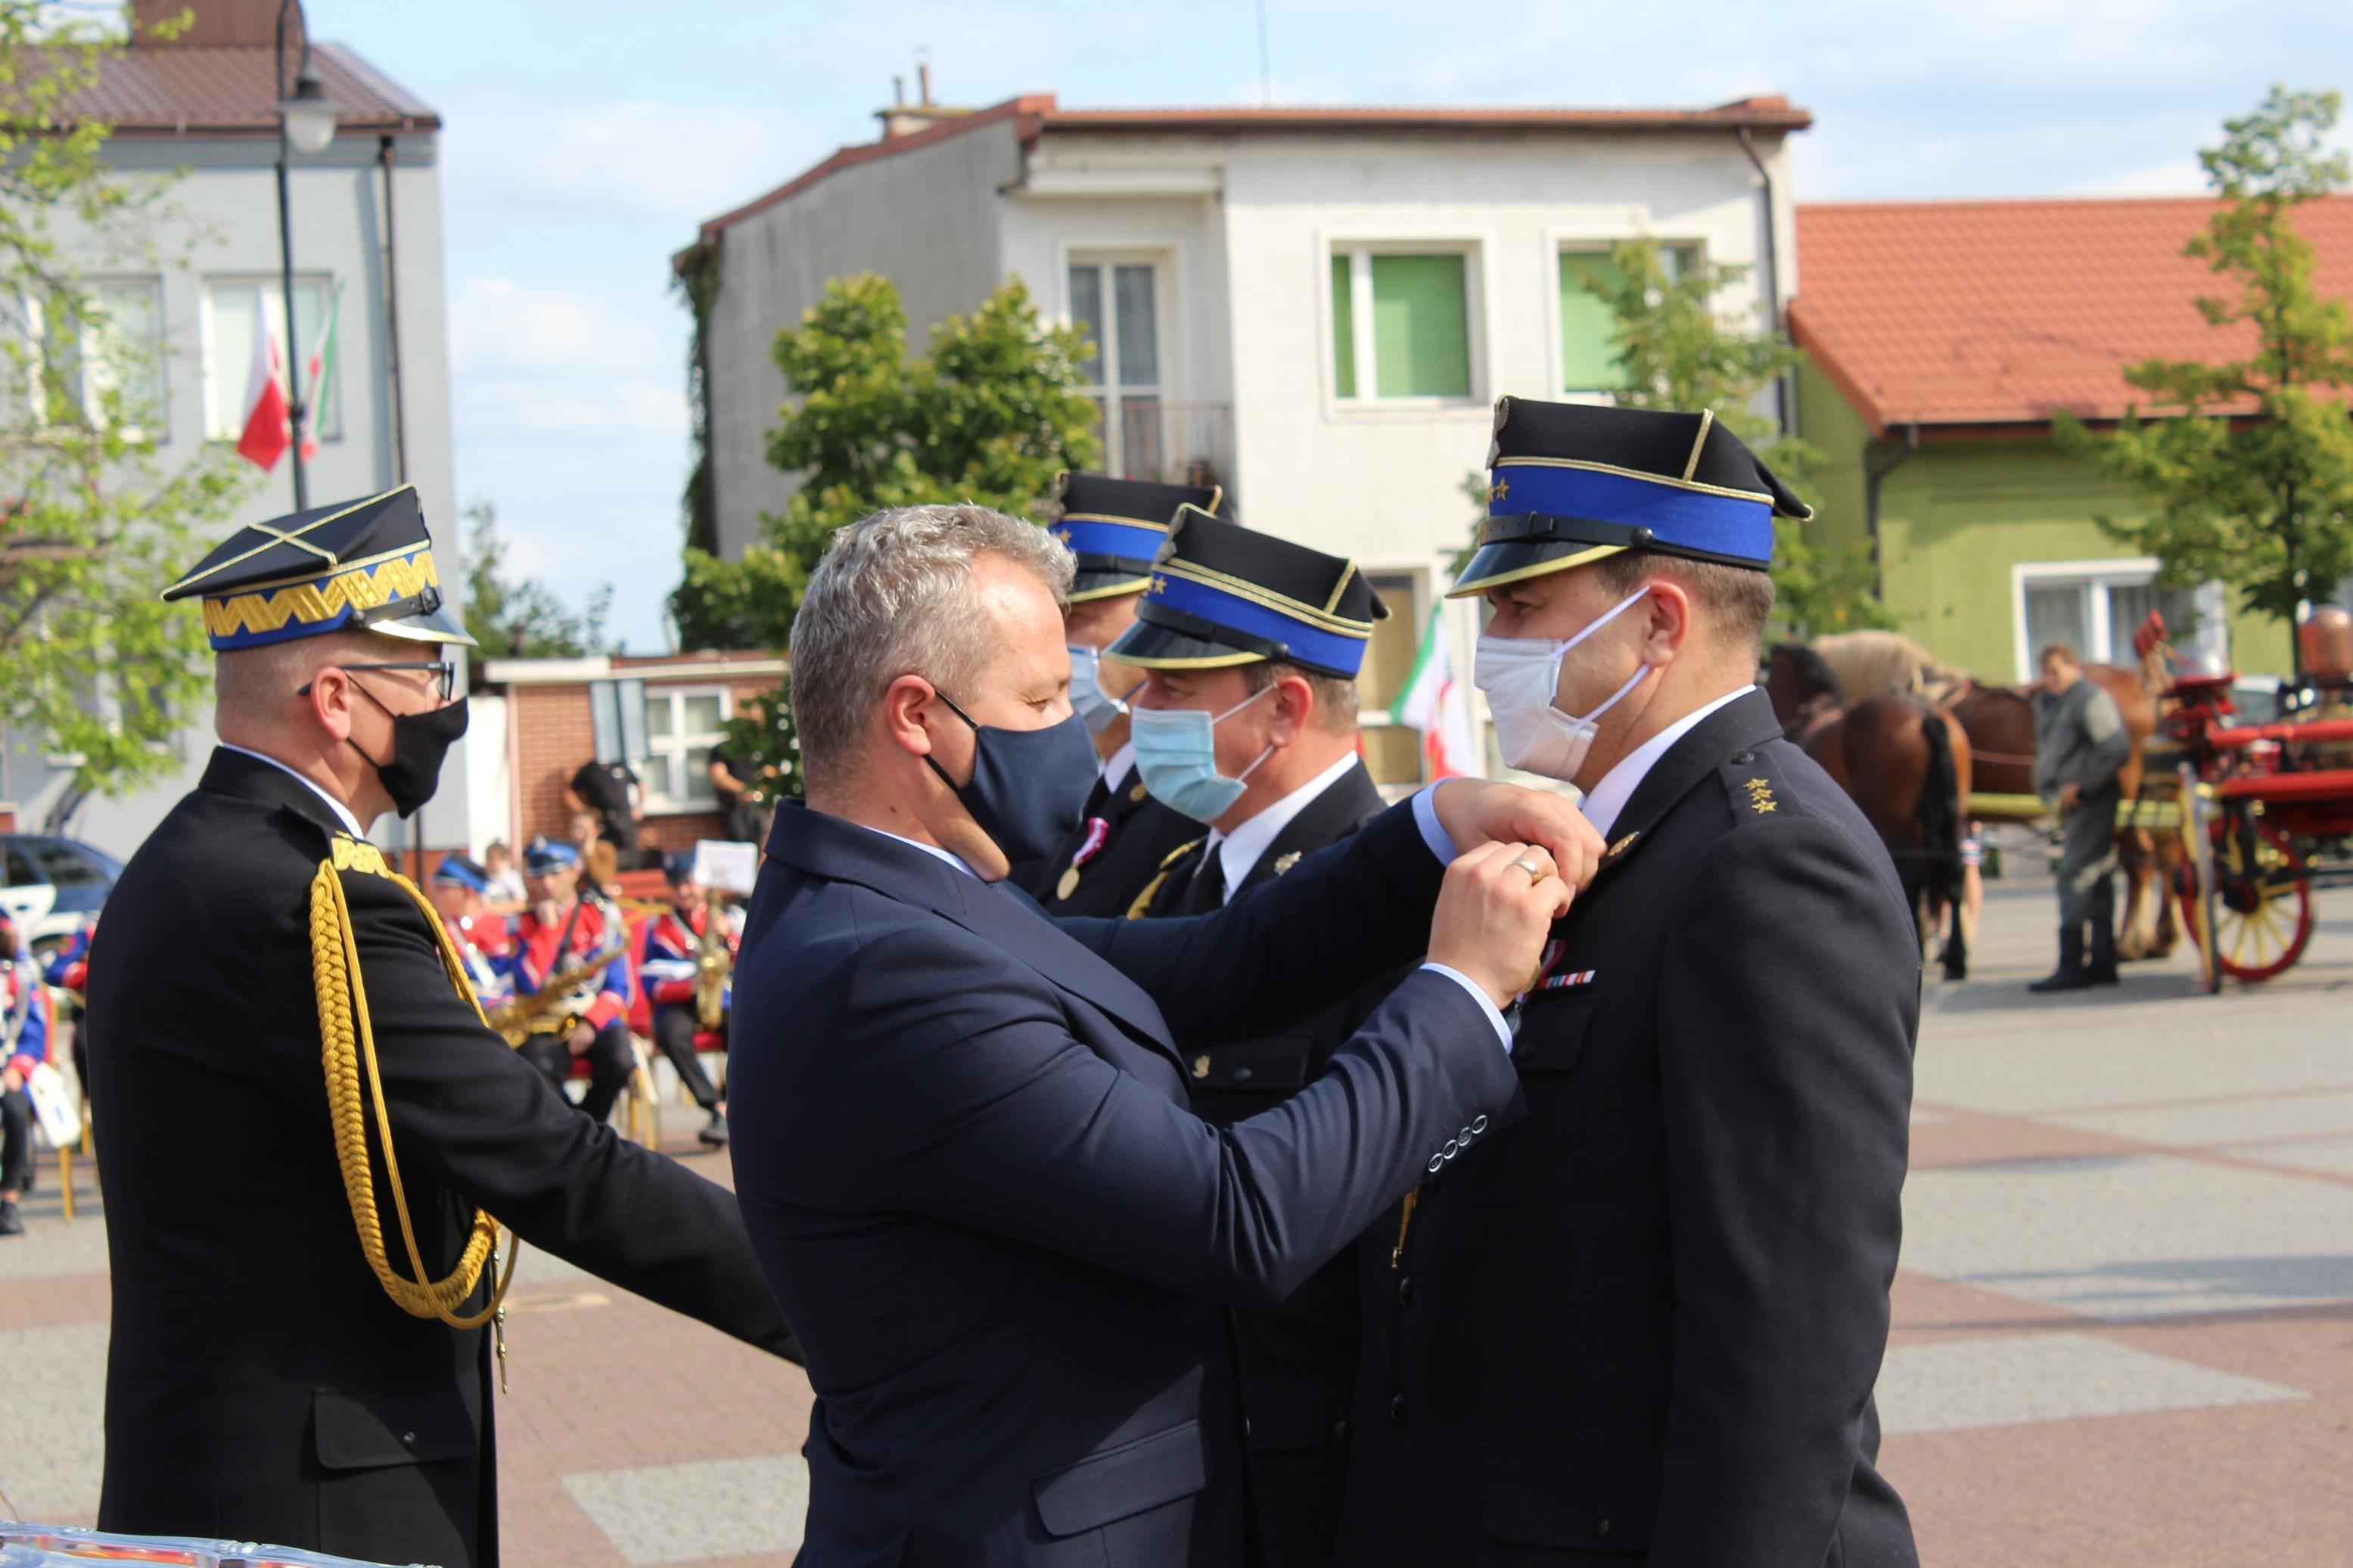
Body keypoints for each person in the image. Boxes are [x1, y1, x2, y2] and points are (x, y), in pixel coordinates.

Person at [729, 502, 1601, 1567]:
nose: (1079, 729)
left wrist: (1425, 829)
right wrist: (1461, 988)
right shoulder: (880, 969)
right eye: (1044, 697)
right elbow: (1240, 1217)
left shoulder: (916, 904)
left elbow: (1217, 966)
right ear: (917, 714)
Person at [89, 486, 796, 1568]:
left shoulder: (191, 860)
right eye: (422, 674)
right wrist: (837, 1307)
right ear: (336, 699)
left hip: (238, 1467)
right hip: (308, 1501)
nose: (441, 703)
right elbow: (549, 1158)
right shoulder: (298, 898)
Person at [1333, 399, 1920, 1568]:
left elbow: (1783, 1359)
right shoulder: (1612, 838)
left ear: (1657, 625)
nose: (1488, 644)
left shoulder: (1765, 860)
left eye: (1518, 608)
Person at [1108, 508, 1398, 1567]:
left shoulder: (1389, 897)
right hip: (1170, 1445)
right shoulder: (1170, 885)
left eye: (1173, 690)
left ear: (1281, 708)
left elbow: (1423, 1191)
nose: (1141, 712)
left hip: (1314, 1452)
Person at [1013, 472, 1219, 917]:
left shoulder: (1193, 802)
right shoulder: (1058, 790)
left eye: (1079, 618)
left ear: (1158, 621)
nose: (1058, 645)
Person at [509, 835, 638, 1125]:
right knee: (535, 1067)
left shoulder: (601, 916)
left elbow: (620, 987)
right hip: (544, 1021)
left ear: (574, 871)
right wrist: (547, 931)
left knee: (620, 1061)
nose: (547, 884)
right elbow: (529, 985)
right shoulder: (525, 923)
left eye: (555, 874)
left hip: (596, 1017)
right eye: (539, 876)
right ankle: (579, 1130)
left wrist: (590, 1023)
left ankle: (589, 1128)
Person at [2030, 641, 2131, 992]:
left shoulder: (2089, 698)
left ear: (2074, 667)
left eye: (2054, 671)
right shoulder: (2059, 702)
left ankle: (2072, 964)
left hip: (2092, 800)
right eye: (2044, 672)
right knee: (2098, 877)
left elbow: (2115, 748)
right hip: (2078, 803)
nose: (2048, 679)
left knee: (2075, 876)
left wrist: (2081, 784)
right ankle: (2103, 961)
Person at [638, 855, 732, 1147]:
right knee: (670, 1033)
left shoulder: (726, 918)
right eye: (678, 885)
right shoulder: (661, 927)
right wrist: (689, 986)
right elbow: (651, 980)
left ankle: (733, 1104)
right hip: (683, 999)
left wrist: (730, 937)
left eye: (690, 883)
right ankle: (713, 1105)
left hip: (724, 998)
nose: (686, 891)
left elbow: (753, 961)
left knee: (749, 1027)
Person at [0, 909, 51, 1237]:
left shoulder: (18, 973)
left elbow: (34, 1032)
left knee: (17, 1112)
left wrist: (18, 1067)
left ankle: (9, 1200)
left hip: (6, 1067)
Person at [426, 855, 516, 1008]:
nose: (435, 892)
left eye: (443, 887)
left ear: (469, 892)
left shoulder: (498, 926)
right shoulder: (438, 926)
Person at [567, 753, 643, 864]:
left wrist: (639, 807)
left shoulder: (620, 766)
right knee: (602, 852)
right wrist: (584, 811)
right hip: (602, 820)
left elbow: (640, 784)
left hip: (624, 818)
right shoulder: (589, 770)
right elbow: (569, 793)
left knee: (630, 851)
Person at [707, 742, 763, 845]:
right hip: (734, 805)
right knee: (739, 841)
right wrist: (743, 790)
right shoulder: (722, 749)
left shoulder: (754, 748)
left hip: (756, 805)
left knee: (758, 837)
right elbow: (718, 777)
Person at [480, 838, 527, 906]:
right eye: (488, 859)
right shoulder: (486, 877)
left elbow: (521, 903)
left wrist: (495, 908)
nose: (489, 863)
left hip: (509, 915)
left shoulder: (511, 877)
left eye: (493, 860)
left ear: (502, 860)